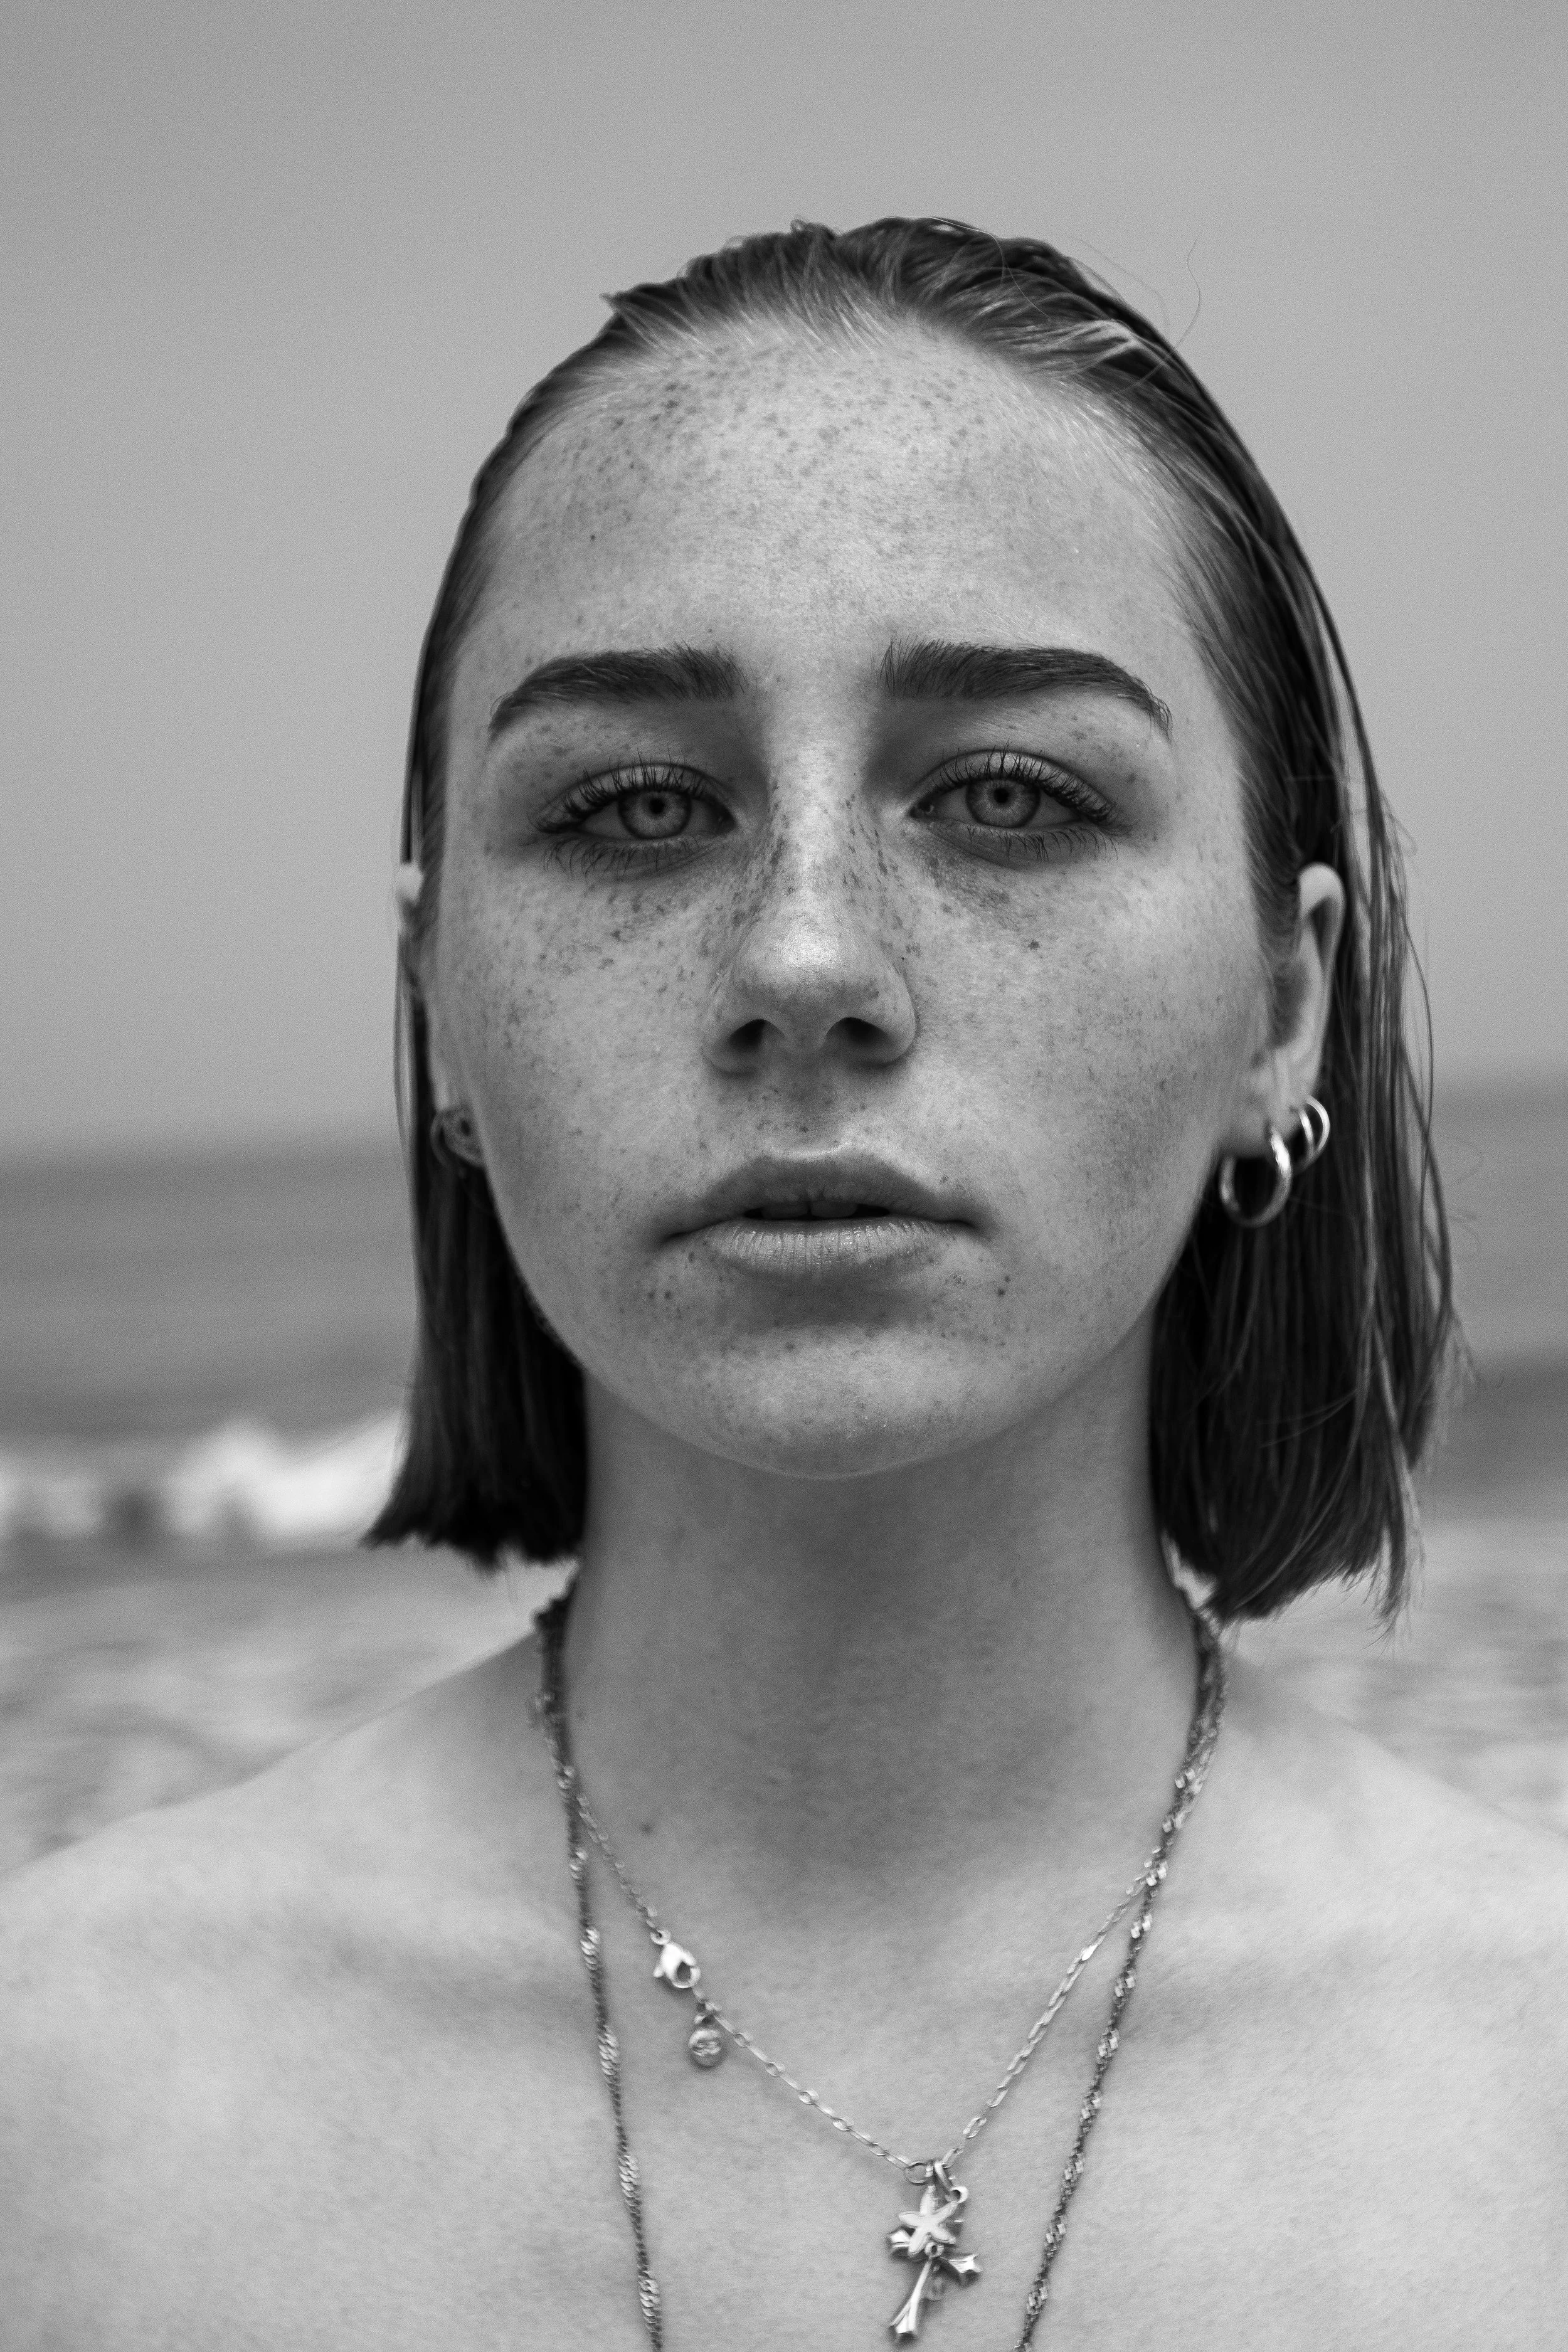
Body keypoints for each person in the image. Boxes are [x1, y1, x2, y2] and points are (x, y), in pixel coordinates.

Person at [3, 218, 1564, 2349]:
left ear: (1278, 1005)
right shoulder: (67, 2101)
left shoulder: (1529, 2093)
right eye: (638, 806)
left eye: (1007, 796)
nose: (807, 956)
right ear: (439, 996)